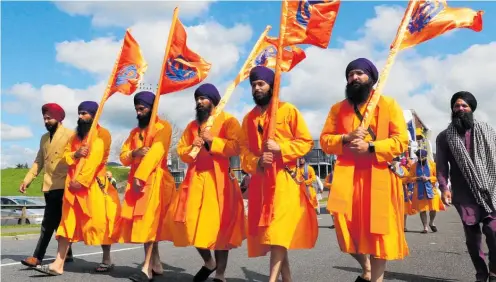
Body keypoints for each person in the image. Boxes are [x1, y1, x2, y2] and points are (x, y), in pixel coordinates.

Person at [320, 58, 409, 282]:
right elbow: (324, 141)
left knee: (378, 232)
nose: (354, 77)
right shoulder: (337, 109)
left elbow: (401, 142)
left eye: (359, 73)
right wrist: (346, 138)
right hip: (346, 178)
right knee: (345, 230)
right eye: (350, 74)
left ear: (371, 78)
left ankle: (375, 278)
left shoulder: (388, 104)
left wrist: (371, 147)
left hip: (378, 176)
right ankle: (366, 268)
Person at [239, 66, 318, 282]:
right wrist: (257, 162)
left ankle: (272, 279)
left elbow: (306, 142)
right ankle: (287, 278)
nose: (256, 88)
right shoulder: (248, 119)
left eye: (261, 84)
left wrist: (280, 148)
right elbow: (243, 151)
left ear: (271, 86)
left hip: (286, 179)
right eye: (253, 85)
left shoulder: (288, 110)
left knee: (278, 231)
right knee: (275, 236)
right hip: (261, 183)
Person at [164, 83, 245, 282]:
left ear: (214, 101)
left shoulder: (229, 121)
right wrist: (193, 145)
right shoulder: (192, 127)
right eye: (197, 99)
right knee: (189, 225)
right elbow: (182, 153)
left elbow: (237, 147)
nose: (199, 102)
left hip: (220, 182)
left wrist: (212, 141)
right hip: (195, 181)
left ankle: (220, 275)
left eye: (204, 98)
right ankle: (209, 262)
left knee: (220, 231)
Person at [34, 101, 121, 275]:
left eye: (84, 113)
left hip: (94, 184)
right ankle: (58, 264)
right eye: (79, 113)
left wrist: (81, 181)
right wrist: (76, 153)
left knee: (99, 222)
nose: (80, 117)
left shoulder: (103, 134)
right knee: (67, 222)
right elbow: (66, 156)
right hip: (72, 187)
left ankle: (107, 259)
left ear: (94, 115)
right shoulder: (75, 136)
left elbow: (95, 158)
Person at [113, 91, 176, 282]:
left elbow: (157, 151)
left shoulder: (163, 127)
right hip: (137, 184)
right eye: (137, 109)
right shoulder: (134, 133)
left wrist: (141, 173)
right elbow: (123, 157)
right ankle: (155, 263)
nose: (139, 113)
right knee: (145, 223)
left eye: (142, 109)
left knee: (148, 222)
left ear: (152, 108)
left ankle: (146, 268)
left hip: (155, 181)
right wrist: (135, 152)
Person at [436, 91, 496, 282]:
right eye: (456, 106)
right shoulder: (445, 137)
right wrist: (444, 187)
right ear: (452, 109)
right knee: (473, 238)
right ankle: (481, 273)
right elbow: (441, 166)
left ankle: (494, 271)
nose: (460, 109)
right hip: (463, 194)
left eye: (464, 106)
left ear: (471, 108)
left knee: (494, 231)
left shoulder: (487, 130)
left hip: (490, 190)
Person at [20, 103, 75, 267]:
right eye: (44, 118)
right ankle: (68, 254)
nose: (46, 121)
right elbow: (39, 161)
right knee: (58, 221)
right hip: (48, 185)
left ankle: (37, 257)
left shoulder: (71, 135)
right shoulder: (44, 138)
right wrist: (27, 180)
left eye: (49, 118)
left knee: (47, 222)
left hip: (64, 184)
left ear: (58, 118)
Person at [406, 149, 445, 233]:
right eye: (419, 157)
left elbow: (437, 177)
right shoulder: (413, 166)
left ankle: (431, 222)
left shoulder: (432, 165)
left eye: (423, 157)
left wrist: (429, 178)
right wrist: (418, 178)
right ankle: (425, 227)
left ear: (426, 157)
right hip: (419, 190)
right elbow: (409, 178)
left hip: (431, 189)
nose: (421, 159)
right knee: (422, 209)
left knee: (433, 208)